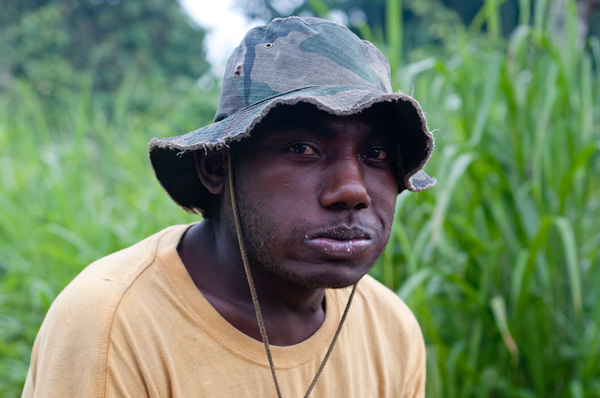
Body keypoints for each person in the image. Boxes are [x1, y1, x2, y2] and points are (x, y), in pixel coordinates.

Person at [23, 16, 435, 397]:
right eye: (302, 148)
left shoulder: (390, 330)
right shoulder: (114, 326)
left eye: (377, 154)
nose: (352, 189)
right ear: (217, 167)